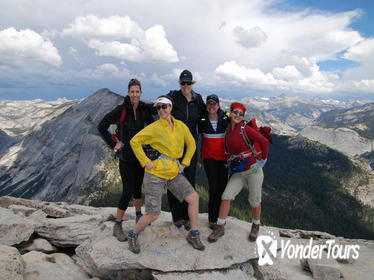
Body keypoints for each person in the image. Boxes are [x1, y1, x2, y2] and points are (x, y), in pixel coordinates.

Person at [127, 95, 205, 254]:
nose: (161, 110)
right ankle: (133, 234)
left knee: (193, 198)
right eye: (158, 108)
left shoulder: (181, 126)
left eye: (164, 106)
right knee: (153, 214)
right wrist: (144, 161)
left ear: (170, 108)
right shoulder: (155, 127)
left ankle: (194, 233)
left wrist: (185, 162)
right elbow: (134, 141)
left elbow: (192, 143)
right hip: (154, 174)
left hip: (173, 172)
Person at [98, 78, 153, 242]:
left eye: (137, 91)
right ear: (128, 93)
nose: (135, 94)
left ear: (140, 93)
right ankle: (118, 225)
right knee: (127, 191)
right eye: (132, 91)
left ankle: (138, 216)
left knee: (137, 189)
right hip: (126, 157)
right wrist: (114, 144)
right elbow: (102, 125)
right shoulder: (121, 109)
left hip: (140, 156)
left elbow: (152, 126)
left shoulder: (144, 109)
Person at [207, 102, 269, 243]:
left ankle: (255, 225)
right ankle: (220, 227)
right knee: (226, 195)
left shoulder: (245, 129)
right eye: (235, 112)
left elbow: (264, 142)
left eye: (241, 113)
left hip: (254, 169)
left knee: (254, 200)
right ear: (230, 113)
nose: (238, 115)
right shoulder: (228, 128)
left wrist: (263, 160)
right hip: (239, 171)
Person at [167, 69, 206, 230]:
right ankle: (177, 217)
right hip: (174, 146)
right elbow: (161, 106)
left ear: (192, 83)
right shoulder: (174, 97)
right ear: (179, 84)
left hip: (192, 146)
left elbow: (206, 115)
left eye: (188, 83)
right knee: (174, 179)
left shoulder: (197, 99)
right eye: (183, 83)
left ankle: (187, 216)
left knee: (190, 180)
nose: (185, 86)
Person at [199, 94, 229, 229]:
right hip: (209, 158)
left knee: (222, 188)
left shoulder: (225, 117)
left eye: (214, 104)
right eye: (209, 104)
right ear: (206, 106)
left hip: (223, 158)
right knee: (214, 187)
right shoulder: (202, 119)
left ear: (218, 105)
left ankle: (221, 218)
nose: (211, 106)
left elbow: (238, 125)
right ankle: (212, 219)